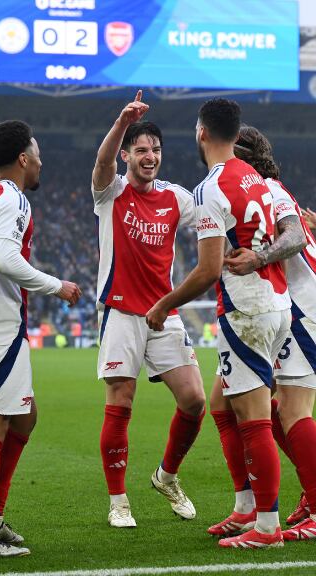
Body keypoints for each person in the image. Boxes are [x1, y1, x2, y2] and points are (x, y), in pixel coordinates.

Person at [145, 98, 306, 548]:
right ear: (236, 134)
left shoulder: (209, 189)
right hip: (275, 304)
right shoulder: (262, 181)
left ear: (201, 133)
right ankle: (245, 506)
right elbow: (289, 234)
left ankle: (267, 526)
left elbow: (209, 269)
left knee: (253, 419)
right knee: (221, 404)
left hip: (246, 309)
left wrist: (163, 305)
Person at [0, 120, 80, 558]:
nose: (42, 162)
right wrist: (56, 285)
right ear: (23, 159)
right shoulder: (12, 198)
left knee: (25, 419)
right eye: (38, 154)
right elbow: (5, 259)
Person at [92, 91, 205, 528]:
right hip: (121, 313)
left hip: (164, 313)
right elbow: (102, 165)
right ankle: (118, 501)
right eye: (141, 150)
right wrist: (122, 121)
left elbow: (214, 221)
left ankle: (166, 477)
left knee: (194, 400)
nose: (150, 156)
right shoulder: (111, 191)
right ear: (126, 155)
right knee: (121, 401)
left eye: (155, 150)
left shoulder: (177, 198)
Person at [206, 124, 316, 542]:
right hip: (284, 303)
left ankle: (311, 502)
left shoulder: (266, 187)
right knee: (223, 401)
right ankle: (249, 505)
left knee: (292, 410)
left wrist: (258, 258)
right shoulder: (256, 188)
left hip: (300, 305)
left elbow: (294, 236)